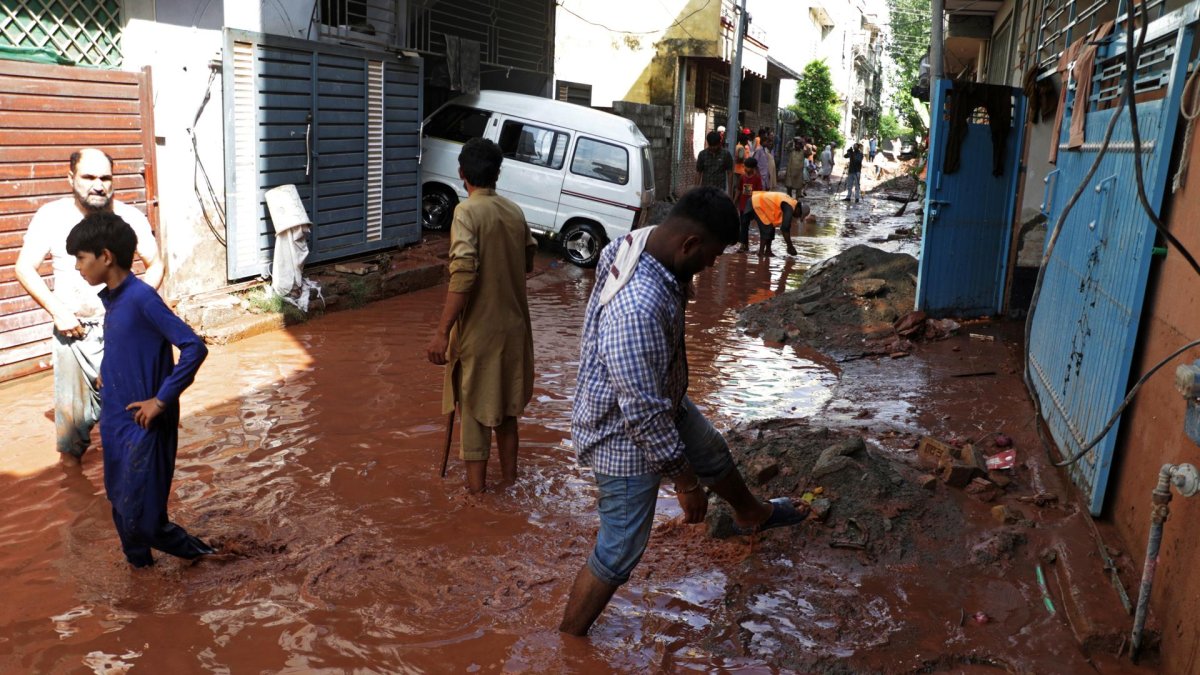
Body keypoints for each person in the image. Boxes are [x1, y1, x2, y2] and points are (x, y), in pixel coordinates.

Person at [558, 187, 810, 637]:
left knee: (711, 448)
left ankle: (750, 515)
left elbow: (651, 397)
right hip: (620, 430)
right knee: (620, 549)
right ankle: (568, 640)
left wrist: (683, 281)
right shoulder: (637, 310)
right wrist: (686, 483)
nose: (711, 268)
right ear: (689, 245)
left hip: (659, 393)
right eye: (709, 259)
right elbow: (644, 416)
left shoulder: (638, 243)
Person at [65, 211, 213, 567]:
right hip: (117, 424)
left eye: (80, 258)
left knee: (146, 523)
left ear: (105, 256)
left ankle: (209, 558)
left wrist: (161, 401)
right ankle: (142, 585)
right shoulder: (114, 300)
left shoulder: (142, 298)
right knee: (121, 510)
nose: (77, 267)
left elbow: (194, 346)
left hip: (147, 425)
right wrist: (106, 369)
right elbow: (124, 343)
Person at [15, 148, 163, 466]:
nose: (98, 185)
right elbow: (24, 268)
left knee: (132, 413)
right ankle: (76, 500)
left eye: (106, 178)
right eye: (89, 177)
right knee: (72, 435)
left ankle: (124, 500)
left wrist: (132, 307)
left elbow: (156, 264)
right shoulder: (51, 217)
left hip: (122, 333)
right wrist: (58, 312)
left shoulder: (129, 217)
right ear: (71, 178)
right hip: (73, 332)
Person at [426, 138, 536, 494]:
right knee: (505, 413)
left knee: (473, 410)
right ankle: (509, 484)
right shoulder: (514, 211)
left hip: (480, 332)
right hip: (514, 330)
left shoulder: (466, 212)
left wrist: (442, 332)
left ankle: (477, 501)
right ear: (498, 174)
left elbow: (464, 274)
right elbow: (529, 260)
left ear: (462, 175)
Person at [743, 191, 806, 258]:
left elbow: (784, 226)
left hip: (759, 202)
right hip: (757, 203)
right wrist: (790, 246)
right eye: (799, 215)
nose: (797, 217)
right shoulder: (789, 206)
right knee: (766, 227)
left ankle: (768, 251)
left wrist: (789, 245)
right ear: (798, 209)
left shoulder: (791, 202)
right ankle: (761, 253)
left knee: (771, 226)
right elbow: (785, 228)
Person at [734, 157, 763, 253]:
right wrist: (735, 201)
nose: (745, 168)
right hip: (743, 206)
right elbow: (738, 190)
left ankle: (747, 245)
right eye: (745, 166)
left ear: (753, 168)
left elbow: (759, 193)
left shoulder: (757, 179)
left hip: (753, 206)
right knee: (744, 225)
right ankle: (744, 245)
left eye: (747, 167)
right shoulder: (742, 177)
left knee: (748, 224)